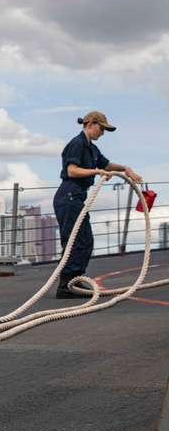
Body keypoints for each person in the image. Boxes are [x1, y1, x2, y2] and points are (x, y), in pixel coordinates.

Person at [53, 111, 141, 298]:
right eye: (101, 128)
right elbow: (72, 171)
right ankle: (66, 285)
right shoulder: (77, 144)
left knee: (85, 241)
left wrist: (125, 168)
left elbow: (106, 164)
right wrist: (97, 171)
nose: (102, 133)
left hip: (76, 198)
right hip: (68, 196)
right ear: (91, 124)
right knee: (74, 241)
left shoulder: (91, 148)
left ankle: (74, 280)